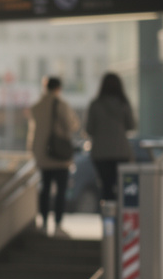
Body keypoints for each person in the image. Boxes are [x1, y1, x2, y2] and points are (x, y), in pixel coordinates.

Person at [26, 75, 80, 236]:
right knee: (61, 190)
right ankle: (57, 224)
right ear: (58, 88)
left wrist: (33, 151)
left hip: (42, 155)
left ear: (45, 87)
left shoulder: (37, 106)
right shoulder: (61, 105)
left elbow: (32, 132)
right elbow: (73, 125)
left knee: (44, 189)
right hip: (59, 156)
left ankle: (43, 223)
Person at [85, 72, 136, 203]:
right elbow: (131, 125)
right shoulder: (123, 104)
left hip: (100, 153)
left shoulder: (95, 104)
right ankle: (120, 216)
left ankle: (107, 217)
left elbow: (89, 129)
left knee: (105, 186)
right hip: (121, 151)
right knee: (121, 186)